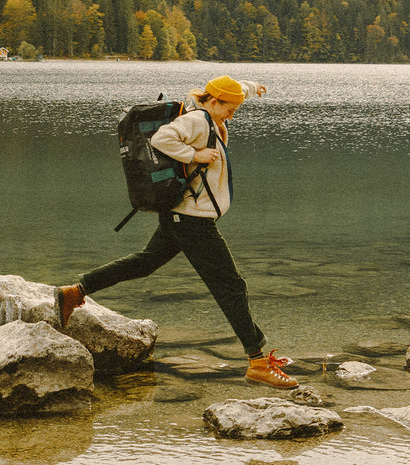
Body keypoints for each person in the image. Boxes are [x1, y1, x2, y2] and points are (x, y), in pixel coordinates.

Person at [55, 75, 297, 390]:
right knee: (231, 286)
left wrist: (251, 88)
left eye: (237, 108)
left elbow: (232, 93)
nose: (233, 114)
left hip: (180, 216)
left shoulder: (209, 110)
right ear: (213, 101)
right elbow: (162, 139)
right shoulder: (198, 119)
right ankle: (258, 362)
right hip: (192, 221)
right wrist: (194, 156)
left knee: (145, 262)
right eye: (230, 108)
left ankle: (74, 292)